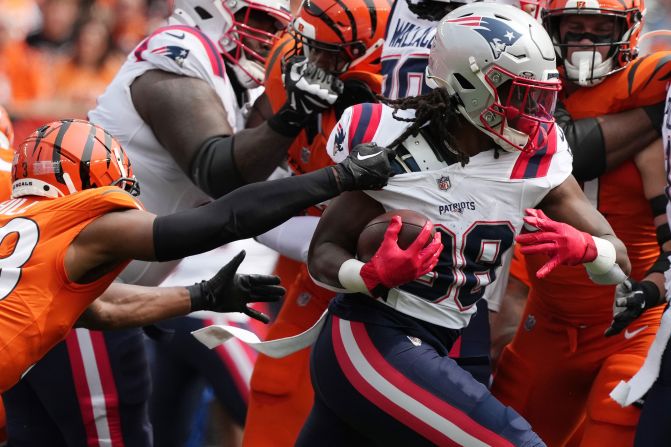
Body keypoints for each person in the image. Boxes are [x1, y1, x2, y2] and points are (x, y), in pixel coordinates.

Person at [302, 4, 631, 445]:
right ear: (468, 86)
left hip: (443, 339)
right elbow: (322, 251)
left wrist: (591, 251)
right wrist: (367, 275)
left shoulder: (537, 155)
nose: (535, 112)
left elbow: (618, 257)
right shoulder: (392, 139)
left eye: (540, 95)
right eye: (520, 94)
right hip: (372, 336)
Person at [0, 116, 392, 442]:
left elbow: (101, 306)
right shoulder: (83, 219)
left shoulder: (13, 219)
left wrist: (199, 295)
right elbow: (218, 221)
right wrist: (337, 177)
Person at [490, 0, 671, 445]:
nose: (586, 40)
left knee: (612, 423)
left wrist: (652, 288)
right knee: (504, 431)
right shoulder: (528, 87)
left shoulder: (648, 84)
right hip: (549, 319)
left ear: (628, 30)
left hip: (630, 320)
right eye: (574, 28)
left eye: (599, 27)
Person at [242, 1, 391, 445]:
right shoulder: (288, 56)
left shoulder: (387, 97)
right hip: (304, 245)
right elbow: (242, 176)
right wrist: (290, 117)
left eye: (333, 54)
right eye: (311, 48)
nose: (316, 63)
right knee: (277, 384)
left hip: (371, 261)